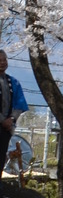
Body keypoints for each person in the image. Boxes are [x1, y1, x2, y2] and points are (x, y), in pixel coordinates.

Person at [1, 49, 29, 189]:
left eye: (4, 60)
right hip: (3, 123)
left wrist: (11, 119)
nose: (2, 63)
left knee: (1, 157)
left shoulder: (13, 82)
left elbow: (20, 103)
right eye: (0, 61)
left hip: (6, 128)